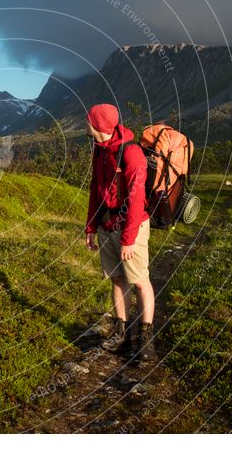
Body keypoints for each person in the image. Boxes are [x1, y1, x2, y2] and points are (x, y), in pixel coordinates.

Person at [84, 103, 156, 362]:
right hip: (105, 225)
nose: (86, 123)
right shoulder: (99, 150)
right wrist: (91, 226)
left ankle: (146, 339)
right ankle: (121, 332)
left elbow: (137, 200)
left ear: (98, 124)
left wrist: (128, 239)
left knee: (139, 281)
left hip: (130, 228)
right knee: (117, 279)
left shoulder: (132, 153)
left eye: (89, 120)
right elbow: (95, 188)